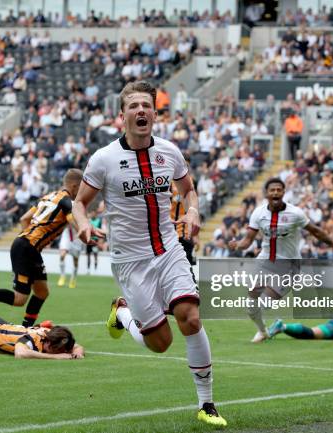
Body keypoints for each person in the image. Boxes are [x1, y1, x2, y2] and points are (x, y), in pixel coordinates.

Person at [72, 81, 226, 427]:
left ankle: (207, 404)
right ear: (122, 115)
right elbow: (79, 202)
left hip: (169, 249)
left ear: (155, 113)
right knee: (160, 343)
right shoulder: (104, 159)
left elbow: (189, 191)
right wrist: (82, 223)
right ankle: (123, 313)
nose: (141, 111)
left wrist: (193, 211)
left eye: (147, 105)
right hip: (131, 261)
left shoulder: (170, 152)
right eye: (134, 106)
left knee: (191, 317)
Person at [0, 169, 83, 328]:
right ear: (74, 186)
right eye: (81, 188)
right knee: (20, 299)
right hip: (27, 247)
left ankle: (27, 328)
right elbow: (71, 218)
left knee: (42, 292)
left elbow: (24, 218)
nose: (81, 192)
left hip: (28, 246)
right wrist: (84, 232)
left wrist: (29, 240)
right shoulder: (67, 201)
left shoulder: (48, 197)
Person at [229, 178, 333, 343]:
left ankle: (274, 326)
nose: (276, 193)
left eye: (279, 190)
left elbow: (316, 232)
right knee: (251, 306)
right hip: (265, 260)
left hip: (288, 266)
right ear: (266, 194)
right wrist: (237, 245)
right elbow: (248, 240)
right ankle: (263, 331)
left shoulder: (295, 213)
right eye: (272, 190)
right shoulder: (258, 213)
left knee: (264, 303)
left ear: (284, 192)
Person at [170, 181, 196, 265]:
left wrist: (196, 235)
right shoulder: (168, 182)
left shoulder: (189, 182)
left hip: (185, 235)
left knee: (187, 266)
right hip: (170, 235)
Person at [86, 209, 103, 274]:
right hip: (89, 240)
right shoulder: (89, 221)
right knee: (88, 255)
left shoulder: (98, 221)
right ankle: (88, 269)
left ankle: (95, 269)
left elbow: (100, 231)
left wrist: (99, 241)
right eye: (91, 213)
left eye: (94, 213)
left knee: (95, 255)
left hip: (95, 241)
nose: (92, 215)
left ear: (95, 214)